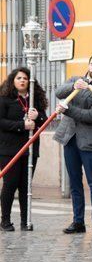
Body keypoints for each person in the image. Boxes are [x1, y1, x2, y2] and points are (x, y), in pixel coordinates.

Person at [55, 54, 92, 235]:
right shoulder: (75, 79)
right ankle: (78, 221)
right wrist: (73, 86)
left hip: (88, 142)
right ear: (88, 65)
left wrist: (67, 109)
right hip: (69, 138)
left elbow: (91, 116)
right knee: (74, 182)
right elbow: (58, 92)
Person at [0, 68, 47, 232]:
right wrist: (22, 125)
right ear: (13, 80)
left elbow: (44, 121)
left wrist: (38, 117)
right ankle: (5, 220)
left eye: (25, 78)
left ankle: (25, 221)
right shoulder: (5, 99)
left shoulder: (34, 100)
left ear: (30, 81)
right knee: (10, 184)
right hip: (9, 149)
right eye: (19, 78)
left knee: (25, 186)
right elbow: (2, 122)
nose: (22, 81)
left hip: (30, 149)